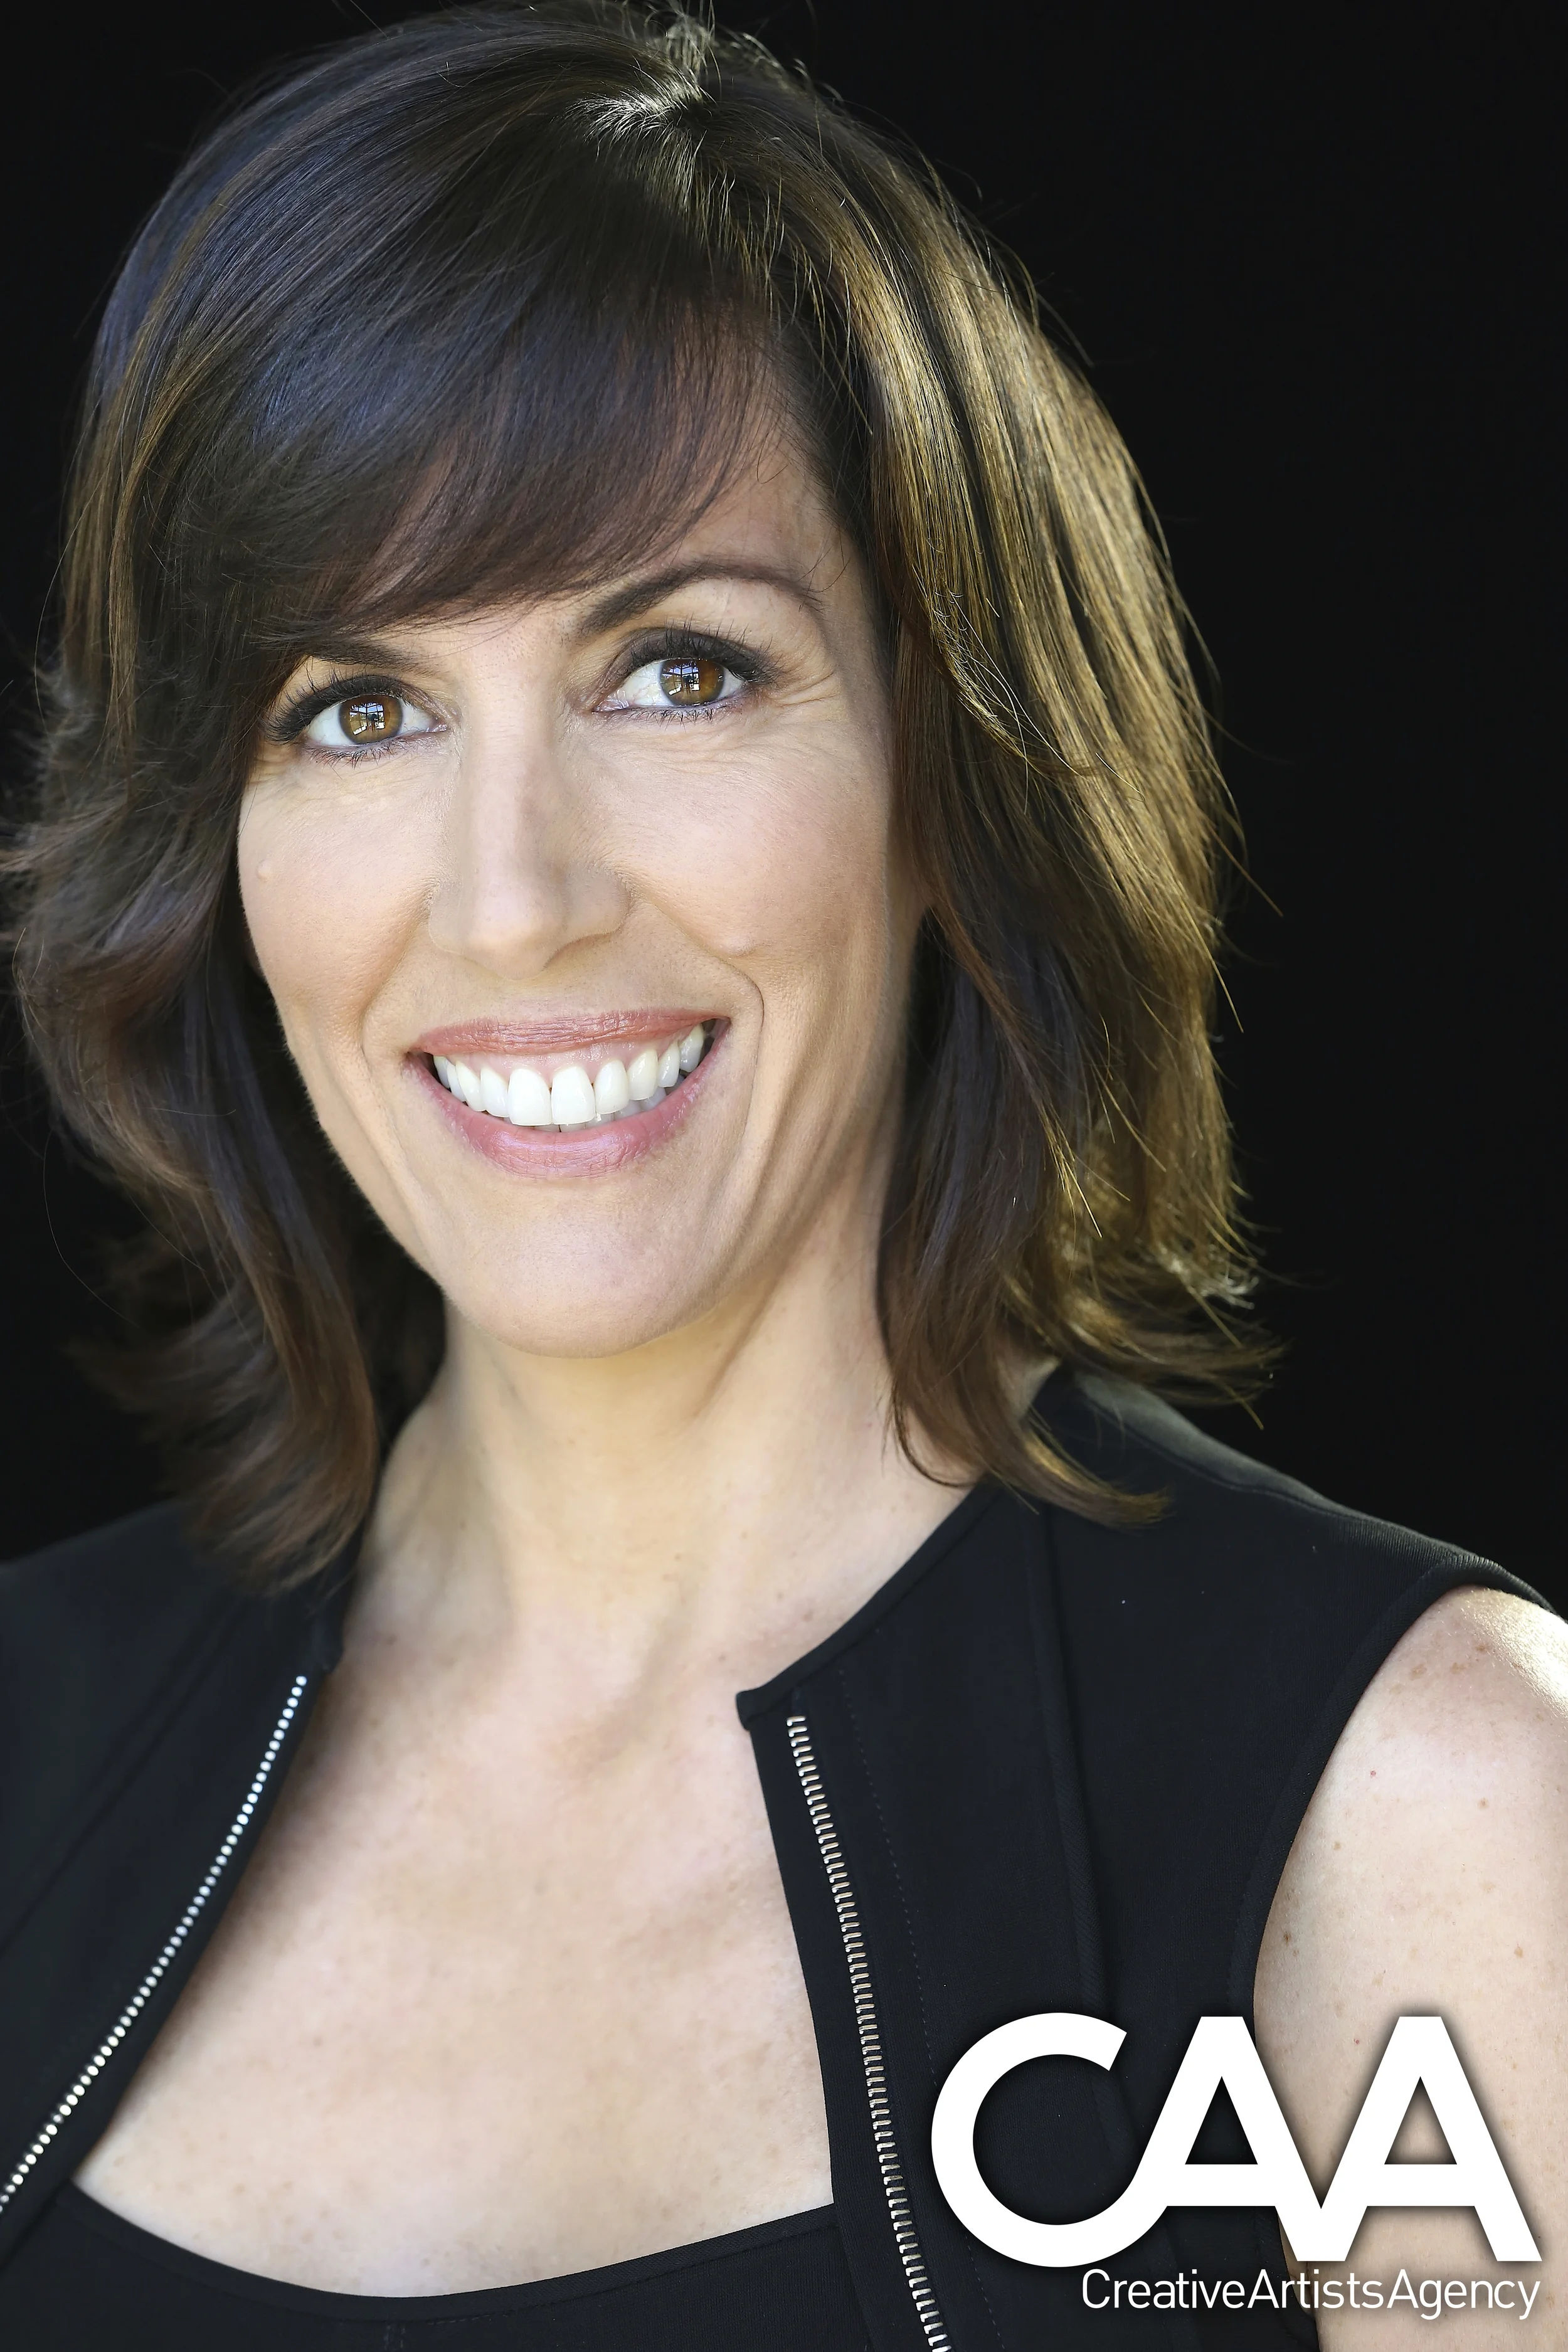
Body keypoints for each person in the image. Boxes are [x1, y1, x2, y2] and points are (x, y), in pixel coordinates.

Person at [1, 6, 1562, 2345]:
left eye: (677, 671)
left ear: (945, 763)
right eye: (356, 705)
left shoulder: (1435, 1813)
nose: (510, 896)